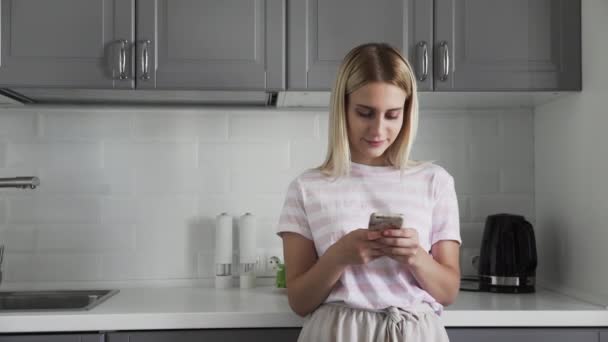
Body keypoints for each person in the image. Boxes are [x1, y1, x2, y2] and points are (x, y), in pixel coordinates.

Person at [276, 42, 461, 342]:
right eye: (365, 113)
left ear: (408, 112)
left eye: (392, 115)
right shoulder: (306, 188)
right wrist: (339, 257)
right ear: (343, 108)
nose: (378, 130)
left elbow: (448, 291)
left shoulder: (435, 182)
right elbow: (299, 301)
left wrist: (415, 255)